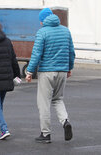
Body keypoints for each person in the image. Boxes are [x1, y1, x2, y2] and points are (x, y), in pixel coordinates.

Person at [25, 8, 75, 143]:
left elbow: (36, 54)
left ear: (42, 20)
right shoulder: (66, 30)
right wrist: (69, 68)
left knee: (44, 103)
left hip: (47, 72)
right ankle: (65, 121)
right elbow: (71, 52)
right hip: (62, 72)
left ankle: (46, 134)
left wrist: (29, 72)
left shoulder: (42, 32)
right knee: (58, 99)